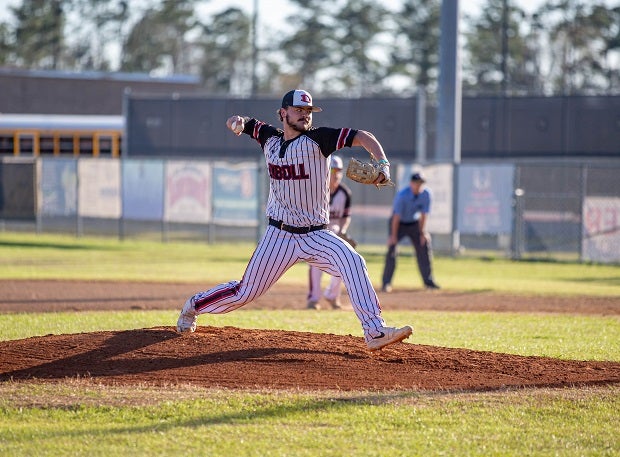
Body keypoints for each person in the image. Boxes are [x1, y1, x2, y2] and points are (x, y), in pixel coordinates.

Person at [176, 89, 412, 351]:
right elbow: (243, 122)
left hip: (316, 235)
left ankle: (374, 331)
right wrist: (237, 122)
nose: (304, 115)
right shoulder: (269, 138)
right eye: (298, 110)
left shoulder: (320, 140)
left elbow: (362, 136)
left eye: (308, 111)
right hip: (280, 236)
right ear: (283, 113)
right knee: (245, 293)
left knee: (353, 262)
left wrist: (383, 163)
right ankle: (193, 306)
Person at [381, 172, 440, 292]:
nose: (419, 186)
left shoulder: (426, 194)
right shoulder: (402, 195)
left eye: (421, 183)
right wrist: (393, 236)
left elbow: (424, 215)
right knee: (392, 250)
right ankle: (386, 283)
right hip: (398, 224)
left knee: (424, 246)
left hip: (414, 223)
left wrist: (423, 233)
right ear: (411, 184)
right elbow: (396, 217)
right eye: (416, 183)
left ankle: (429, 282)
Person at [306, 154, 352, 310]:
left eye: (338, 170)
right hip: (319, 230)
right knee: (315, 265)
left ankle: (332, 296)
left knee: (342, 264)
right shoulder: (317, 190)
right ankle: (313, 299)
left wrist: (344, 230)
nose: (336, 174)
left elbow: (346, 217)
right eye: (332, 170)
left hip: (335, 231)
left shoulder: (345, 193)